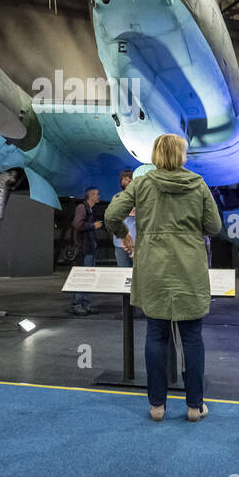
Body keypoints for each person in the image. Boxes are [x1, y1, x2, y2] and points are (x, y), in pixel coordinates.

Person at [106, 135, 222, 422]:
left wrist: (125, 234)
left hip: (152, 269)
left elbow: (110, 216)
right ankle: (195, 406)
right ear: (182, 155)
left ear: (155, 155)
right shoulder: (198, 183)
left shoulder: (141, 184)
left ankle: (157, 406)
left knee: (155, 336)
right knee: (193, 338)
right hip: (190, 269)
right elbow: (215, 226)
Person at [69, 186, 103, 315]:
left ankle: (86, 304)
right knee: (82, 276)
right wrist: (92, 226)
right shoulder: (82, 208)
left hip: (89, 248)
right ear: (91, 195)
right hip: (84, 249)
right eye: (97, 194)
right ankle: (78, 304)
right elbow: (77, 224)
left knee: (89, 277)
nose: (99, 196)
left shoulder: (89, 209)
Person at [112, 169, 138, 312]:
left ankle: (141, 306)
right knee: (124, 276)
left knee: (139, 275)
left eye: (129, 178)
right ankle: (127, 309)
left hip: (137, 243)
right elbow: (112, 215)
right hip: (119, 243)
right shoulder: (116, 196)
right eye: (124, 179)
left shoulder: (140, 196)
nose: (126, 181)